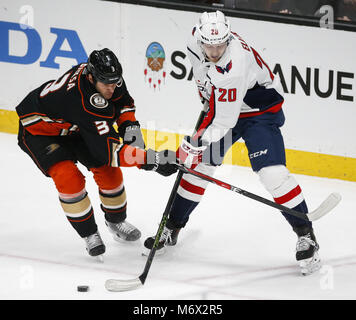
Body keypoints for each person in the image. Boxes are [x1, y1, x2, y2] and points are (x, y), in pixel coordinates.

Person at [144, 11, 321, 275]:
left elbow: (221, 124)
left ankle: (306, 235)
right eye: (209, 45)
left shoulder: (232, 68)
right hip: (223, 108)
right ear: (200, 38)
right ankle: (172, 227)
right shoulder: (195, 40)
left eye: (220, 45)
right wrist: (207, 102)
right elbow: (204, 77)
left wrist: (186, 152)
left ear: (228, 38)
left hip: (258, 112)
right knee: (199, 169)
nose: (215, 51)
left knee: (272, 173)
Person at [16, 48, 177, 259]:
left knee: (110, 174)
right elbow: (110, 152)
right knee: (68, 178)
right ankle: (89, 234)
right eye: (106, 84)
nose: (111, 88)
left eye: (114, 82)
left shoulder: (108, 78)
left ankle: (116, 221)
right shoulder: (83, 101)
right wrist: (151, 160)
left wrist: (131, 132)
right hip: (40, 132)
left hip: (75, 126)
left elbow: (123, 105)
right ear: (91, 78)